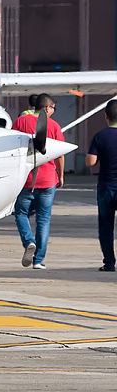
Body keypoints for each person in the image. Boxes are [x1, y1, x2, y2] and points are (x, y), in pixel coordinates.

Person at [11, 94, 64, 270]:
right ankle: (38, 260)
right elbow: (59, 154)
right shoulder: (55, 126)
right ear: (47, 108)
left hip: (26, 178)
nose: (54, 112)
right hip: (48, 178)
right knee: (43, 219)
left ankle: (28, 242)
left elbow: (12, 145)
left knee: (20, 213)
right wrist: (61, 175)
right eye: (53, 108)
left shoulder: (21, 121)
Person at [86, 100, 117, 272]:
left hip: (106, 187)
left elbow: (90, 162)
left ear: (106, 116)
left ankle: (109, 262)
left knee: (106, 226)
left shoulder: (100, 136)